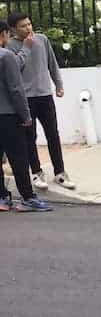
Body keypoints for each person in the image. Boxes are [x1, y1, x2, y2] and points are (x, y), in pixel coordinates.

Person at [6, 12, 75, 191]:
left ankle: (60, 172)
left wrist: (58, 84)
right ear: (13, 29)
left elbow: (52, 63)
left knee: (53, 134)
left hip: (45, 95)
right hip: (26, 98)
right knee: (30, 137)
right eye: (23, 26)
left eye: (29, 24)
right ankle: (37, 172)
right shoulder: (10, 46)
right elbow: (15, 69)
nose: (28, 28)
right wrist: (26, 47)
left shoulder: (42, 40)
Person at [0, 20, 51, 212]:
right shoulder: (6, 56)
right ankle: (27, 198)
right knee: (19, 157)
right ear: (5, 34)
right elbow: (16, 89)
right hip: (9, 115)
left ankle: (3, 197)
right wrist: (26, 115)